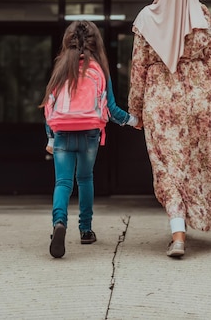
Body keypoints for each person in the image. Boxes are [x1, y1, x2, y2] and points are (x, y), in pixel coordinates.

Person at [128, 0, 211, 258]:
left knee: (166, 167)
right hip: (197, 98)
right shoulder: (203, 14)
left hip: (160, 100)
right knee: (195, 163)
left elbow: (138, 67)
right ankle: (191, 221)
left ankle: (178, 232)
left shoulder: (147, 17)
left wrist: (135, 109)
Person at [41, 20, 138, 259]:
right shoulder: (100, 70)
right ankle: (85, 230)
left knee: (63, 183)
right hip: (90, 132)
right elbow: (112, 109)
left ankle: (59, 224)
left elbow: (48, 107)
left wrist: (51, 138)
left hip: (62, 131)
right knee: (85, 179)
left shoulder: (61, 68)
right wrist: (134, 121)